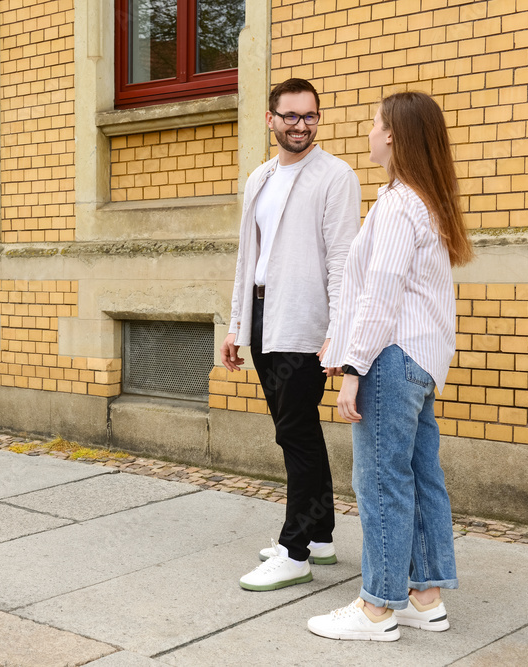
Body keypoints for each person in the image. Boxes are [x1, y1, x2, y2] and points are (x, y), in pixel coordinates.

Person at [308, 91, 473, 641]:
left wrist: (354, 366)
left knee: (380, 480)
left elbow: (381, 296)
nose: (368, 128)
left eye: (375, 122)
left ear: (394, 136)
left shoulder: (401, 204)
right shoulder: (421, 200)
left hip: (392, 358)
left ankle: (378, 607)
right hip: (420, 360)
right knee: (420, 476)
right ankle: (424, 597)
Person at [221, 78, 361, 591]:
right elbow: (246, 260)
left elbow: (344, 261)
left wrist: (338, 334)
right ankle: (319, 534)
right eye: (291, 116)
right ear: (271, 119)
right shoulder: (259, 178)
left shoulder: (335, 176)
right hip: (263, 318)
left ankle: (294, 548)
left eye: (310, 116)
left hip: (306, 326)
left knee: (296, 432)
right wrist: (236, 324)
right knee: (294, 430)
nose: (301, 125)